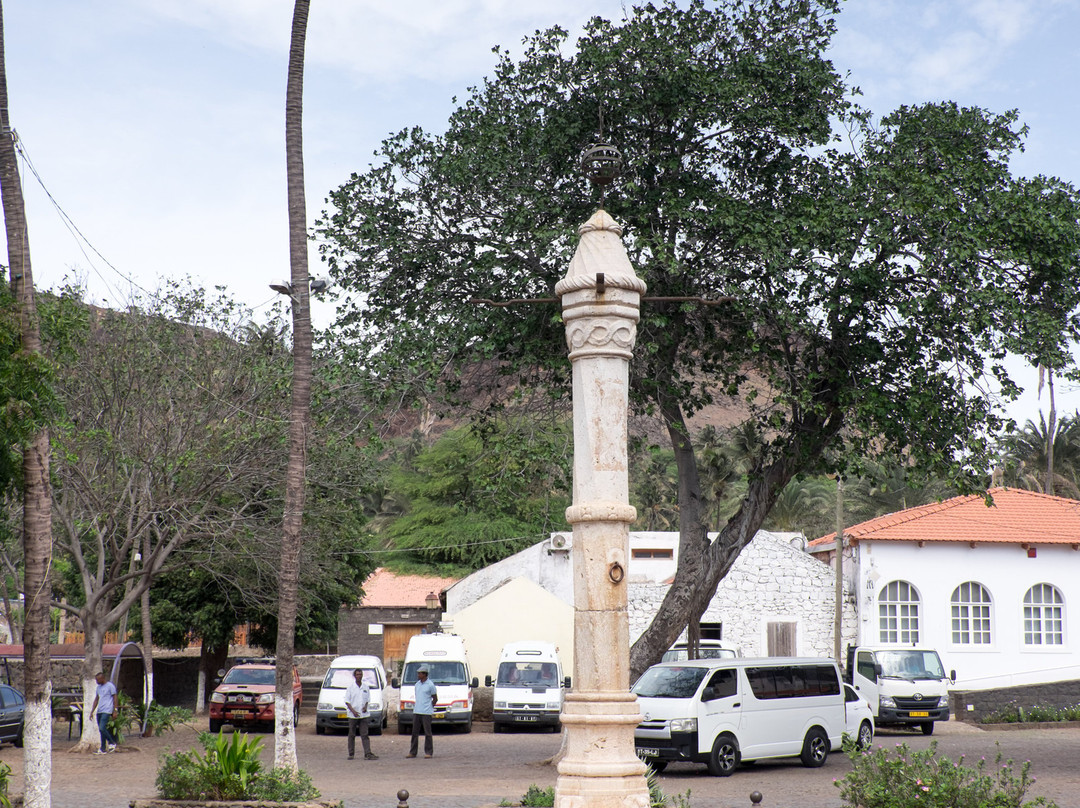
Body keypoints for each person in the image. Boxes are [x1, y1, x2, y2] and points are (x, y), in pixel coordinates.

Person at [345, 668, 378, 760]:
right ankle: (351, 753)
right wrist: (353, 711)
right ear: (354, 676)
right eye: (357, 675)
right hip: (353, 715)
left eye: (360, 674)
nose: (359, 676)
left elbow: (367, 699)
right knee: (352, 734)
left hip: (363, 715)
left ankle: (367, 753)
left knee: (365, 734)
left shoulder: (365, 687)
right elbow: (347, 701)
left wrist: (365, 707)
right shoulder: (351, 688)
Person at [408, 665, 437, 759]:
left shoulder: (430, 685)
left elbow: (435, 698)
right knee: (414, 733)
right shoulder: (417, 684)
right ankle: (413, 752)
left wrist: (430, 706)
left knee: (427, 733)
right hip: (417, 711)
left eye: (420, 673)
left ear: (424, 674)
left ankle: (428, 752)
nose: (418, 675)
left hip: (426, 712)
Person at [90, 671, 118, 755]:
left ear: (102, 678)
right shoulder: (98, 688)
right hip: (100, 710)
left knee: (102, 727)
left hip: (107, 710)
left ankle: (112, 742)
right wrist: (92, 711)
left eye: (98, 680)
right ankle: (102, 749)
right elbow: (96, 699)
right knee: (101, 730)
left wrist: (115, 710)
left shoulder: (110, 686)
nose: (96, 681)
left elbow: (115, 698)